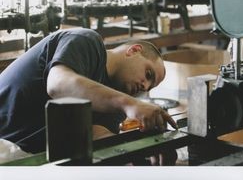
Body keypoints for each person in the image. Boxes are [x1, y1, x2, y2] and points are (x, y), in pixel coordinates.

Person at [0, 27, 177, 164]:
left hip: (22, 157)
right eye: (148, 74)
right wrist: (130, 104)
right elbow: (58, 85)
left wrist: (144, 148)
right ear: (134, 50)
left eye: (149, 86)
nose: (144, 86)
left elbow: (96, 136)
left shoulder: (114, 104)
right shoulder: (87, 41)